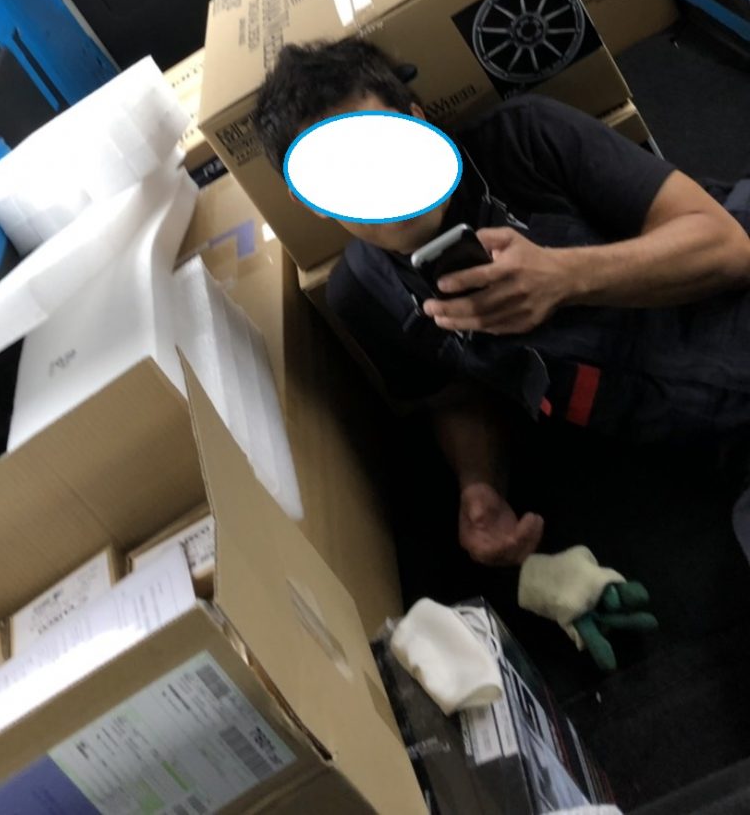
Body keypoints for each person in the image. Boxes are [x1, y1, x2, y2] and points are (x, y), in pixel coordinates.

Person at [253, 37, 750, 569]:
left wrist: (567, 276)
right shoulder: (363, 294)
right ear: (311, 203)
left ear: (419, 122)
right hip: (712, 440)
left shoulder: (525, 137)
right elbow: (453, 396)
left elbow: (727, 246)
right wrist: (479, 482)